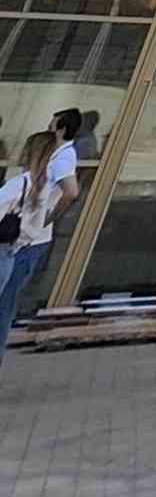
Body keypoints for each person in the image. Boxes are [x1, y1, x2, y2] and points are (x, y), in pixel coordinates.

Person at [0, 133, 68, 365]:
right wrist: (18, 242)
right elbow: (35, 228)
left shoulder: (18, 184)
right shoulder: (43, 186)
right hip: (11, 252)